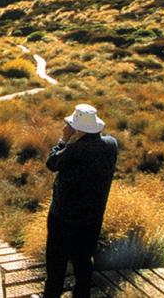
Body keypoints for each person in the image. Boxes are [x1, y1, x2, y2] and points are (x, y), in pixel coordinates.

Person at [42, 104, 118, 298]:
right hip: (92, 217)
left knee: (56, 263)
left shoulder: (74, 150)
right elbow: (98, 144)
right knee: (83, 261)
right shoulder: (111, 145)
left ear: (79, 128)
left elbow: (52, 163)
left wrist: (64, 139)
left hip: (63, 217)